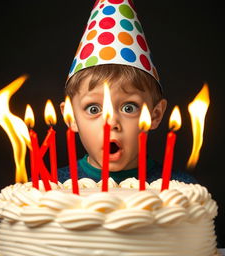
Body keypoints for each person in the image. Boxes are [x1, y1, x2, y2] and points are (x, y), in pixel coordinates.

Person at [57, 0, 197, 185]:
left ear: (156, 114)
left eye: (129, 107)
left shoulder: (180, 189)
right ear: (71, 117)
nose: (111, 122)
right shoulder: (49, 186)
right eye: (93, 109)